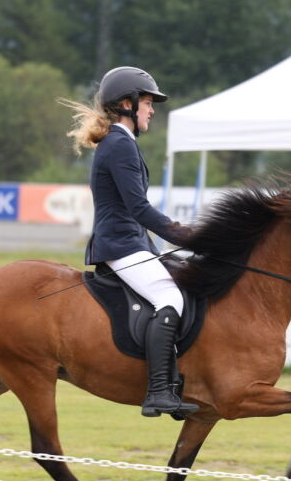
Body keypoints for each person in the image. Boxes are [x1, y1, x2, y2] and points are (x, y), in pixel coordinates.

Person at [63, 66, 198, 419]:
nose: (152, 110)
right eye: (148, 103)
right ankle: (157, 391)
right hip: (122, 245)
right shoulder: (119, 144)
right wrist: (184, 235)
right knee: (170, 296)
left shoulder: (121, 142)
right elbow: (138, 208)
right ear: (128, 103)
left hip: (132, 242)